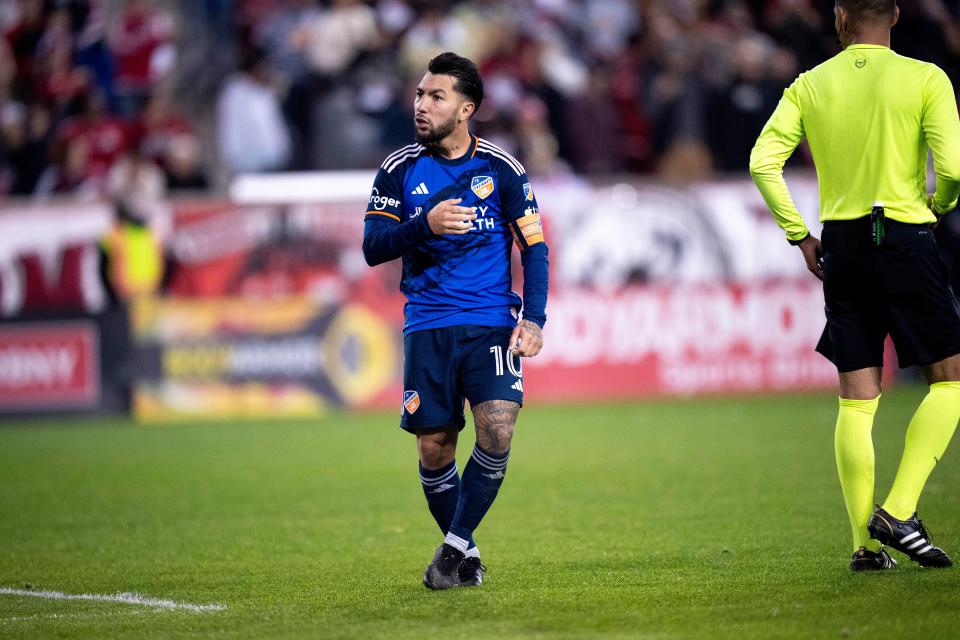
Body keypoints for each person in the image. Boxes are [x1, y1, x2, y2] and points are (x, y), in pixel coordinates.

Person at [750, 0, 960, 571]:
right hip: (905, 234)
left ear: (840, 18)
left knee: (857, 398)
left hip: (841, 244)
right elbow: (955, 169)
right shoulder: (925, 78)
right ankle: (899, 510)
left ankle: (864, 547)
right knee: (950, 381)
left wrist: (800, 235)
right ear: (893, 15)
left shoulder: (810, 84)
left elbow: (763, 161)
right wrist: (936, 206)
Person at [362, 52, 548, 589]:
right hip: (427, 323)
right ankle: (465, 551)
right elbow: (373, 247)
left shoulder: (501, 168)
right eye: (420, 94)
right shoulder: (398, 169)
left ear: (466, 108)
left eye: (435, 96)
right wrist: (424, 225)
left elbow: (534, 248)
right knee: (434, 447)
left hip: (491, 322)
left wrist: (533, 319)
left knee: (497, 428)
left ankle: (451, 549)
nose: (421, 104)